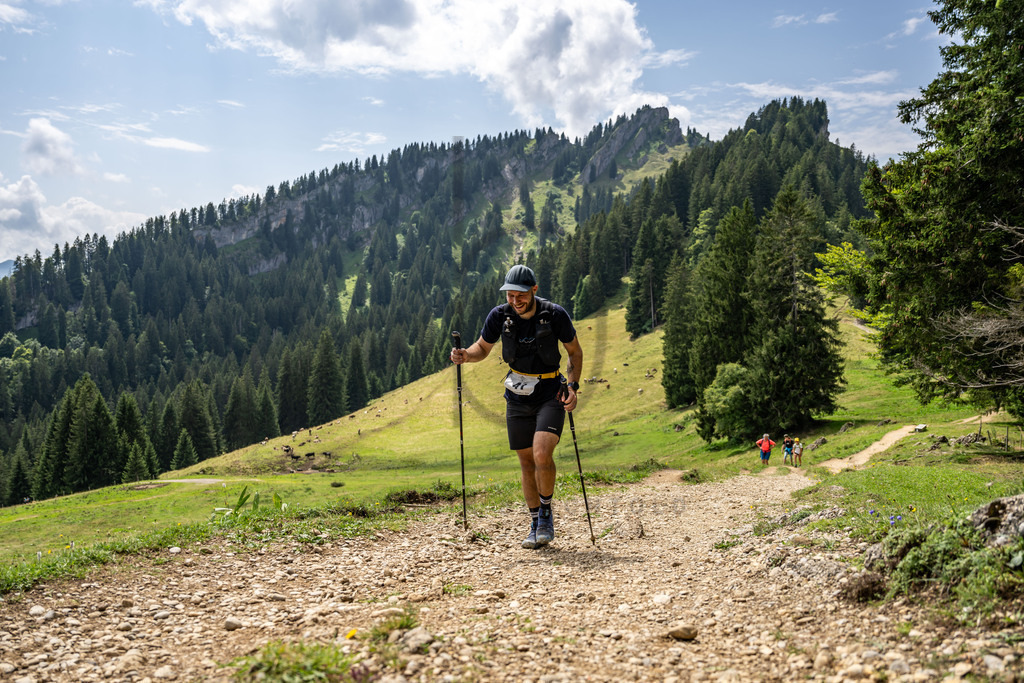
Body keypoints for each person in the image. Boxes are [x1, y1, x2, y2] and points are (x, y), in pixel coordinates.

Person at [450, 265, 583, 549]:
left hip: (550, 392)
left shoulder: (554, 314)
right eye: (510, 295)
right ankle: (535, 522)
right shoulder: (500, 316)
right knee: (526, 461)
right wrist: (465, 355)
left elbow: (574, 351)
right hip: (517, 395)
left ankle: (546, 514)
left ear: (534, 290)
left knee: (541, 453)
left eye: (520, 295)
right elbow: (483, 348)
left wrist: (573, 386)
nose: (515, 300)